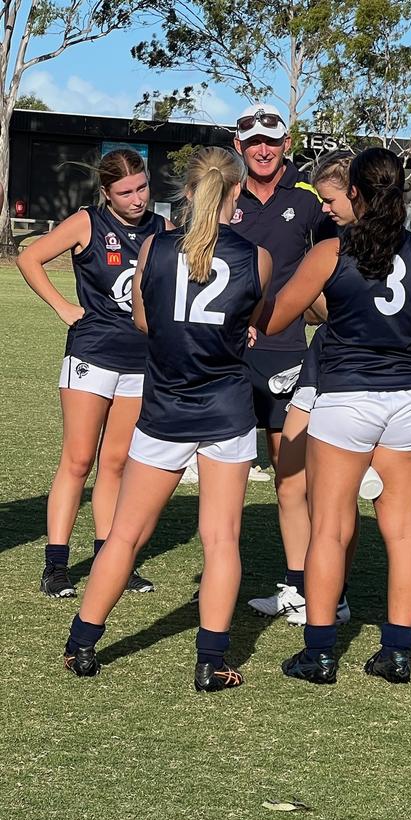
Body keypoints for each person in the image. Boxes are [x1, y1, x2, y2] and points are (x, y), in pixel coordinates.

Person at [61, 146, 272, 691]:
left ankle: (82, 642)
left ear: (186, 190)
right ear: (235, 192)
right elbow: (254, 321)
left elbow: (144, 320)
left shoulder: (154, 244)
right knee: (222, 540)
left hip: (163, 406)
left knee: (124, 535)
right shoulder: (258, 256)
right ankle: (211, 662)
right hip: (226, 408)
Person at [259, 147, 411, 685]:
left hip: (345, 398)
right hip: (408, 399)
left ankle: (319, 654)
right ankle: (395, 653)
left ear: (358, 193)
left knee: (329, 528)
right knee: (405, 533)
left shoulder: (331, 250)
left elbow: (277, 316)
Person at [16, 149, 172, 599]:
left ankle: (111, 560)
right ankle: (56, 565)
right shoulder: (88, 222)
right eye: (125, 192)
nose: (137, 198)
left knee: (117, 463)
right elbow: (30, 258)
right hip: (92, 354)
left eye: (142, 187)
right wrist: (64, 307)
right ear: (106, 193)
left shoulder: (161, 229)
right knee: (79, 460)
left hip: (141, 362)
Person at [247, 150, 359, 626]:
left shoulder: (376, 249)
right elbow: (314, 306)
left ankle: (333, 596)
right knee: (291, 479)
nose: (325, 208)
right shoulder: (334, 246)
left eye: (331, 200)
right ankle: (299, 587)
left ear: (359, 193)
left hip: (354, 379)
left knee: (335, 493)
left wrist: (247, 320)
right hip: (320, 363)